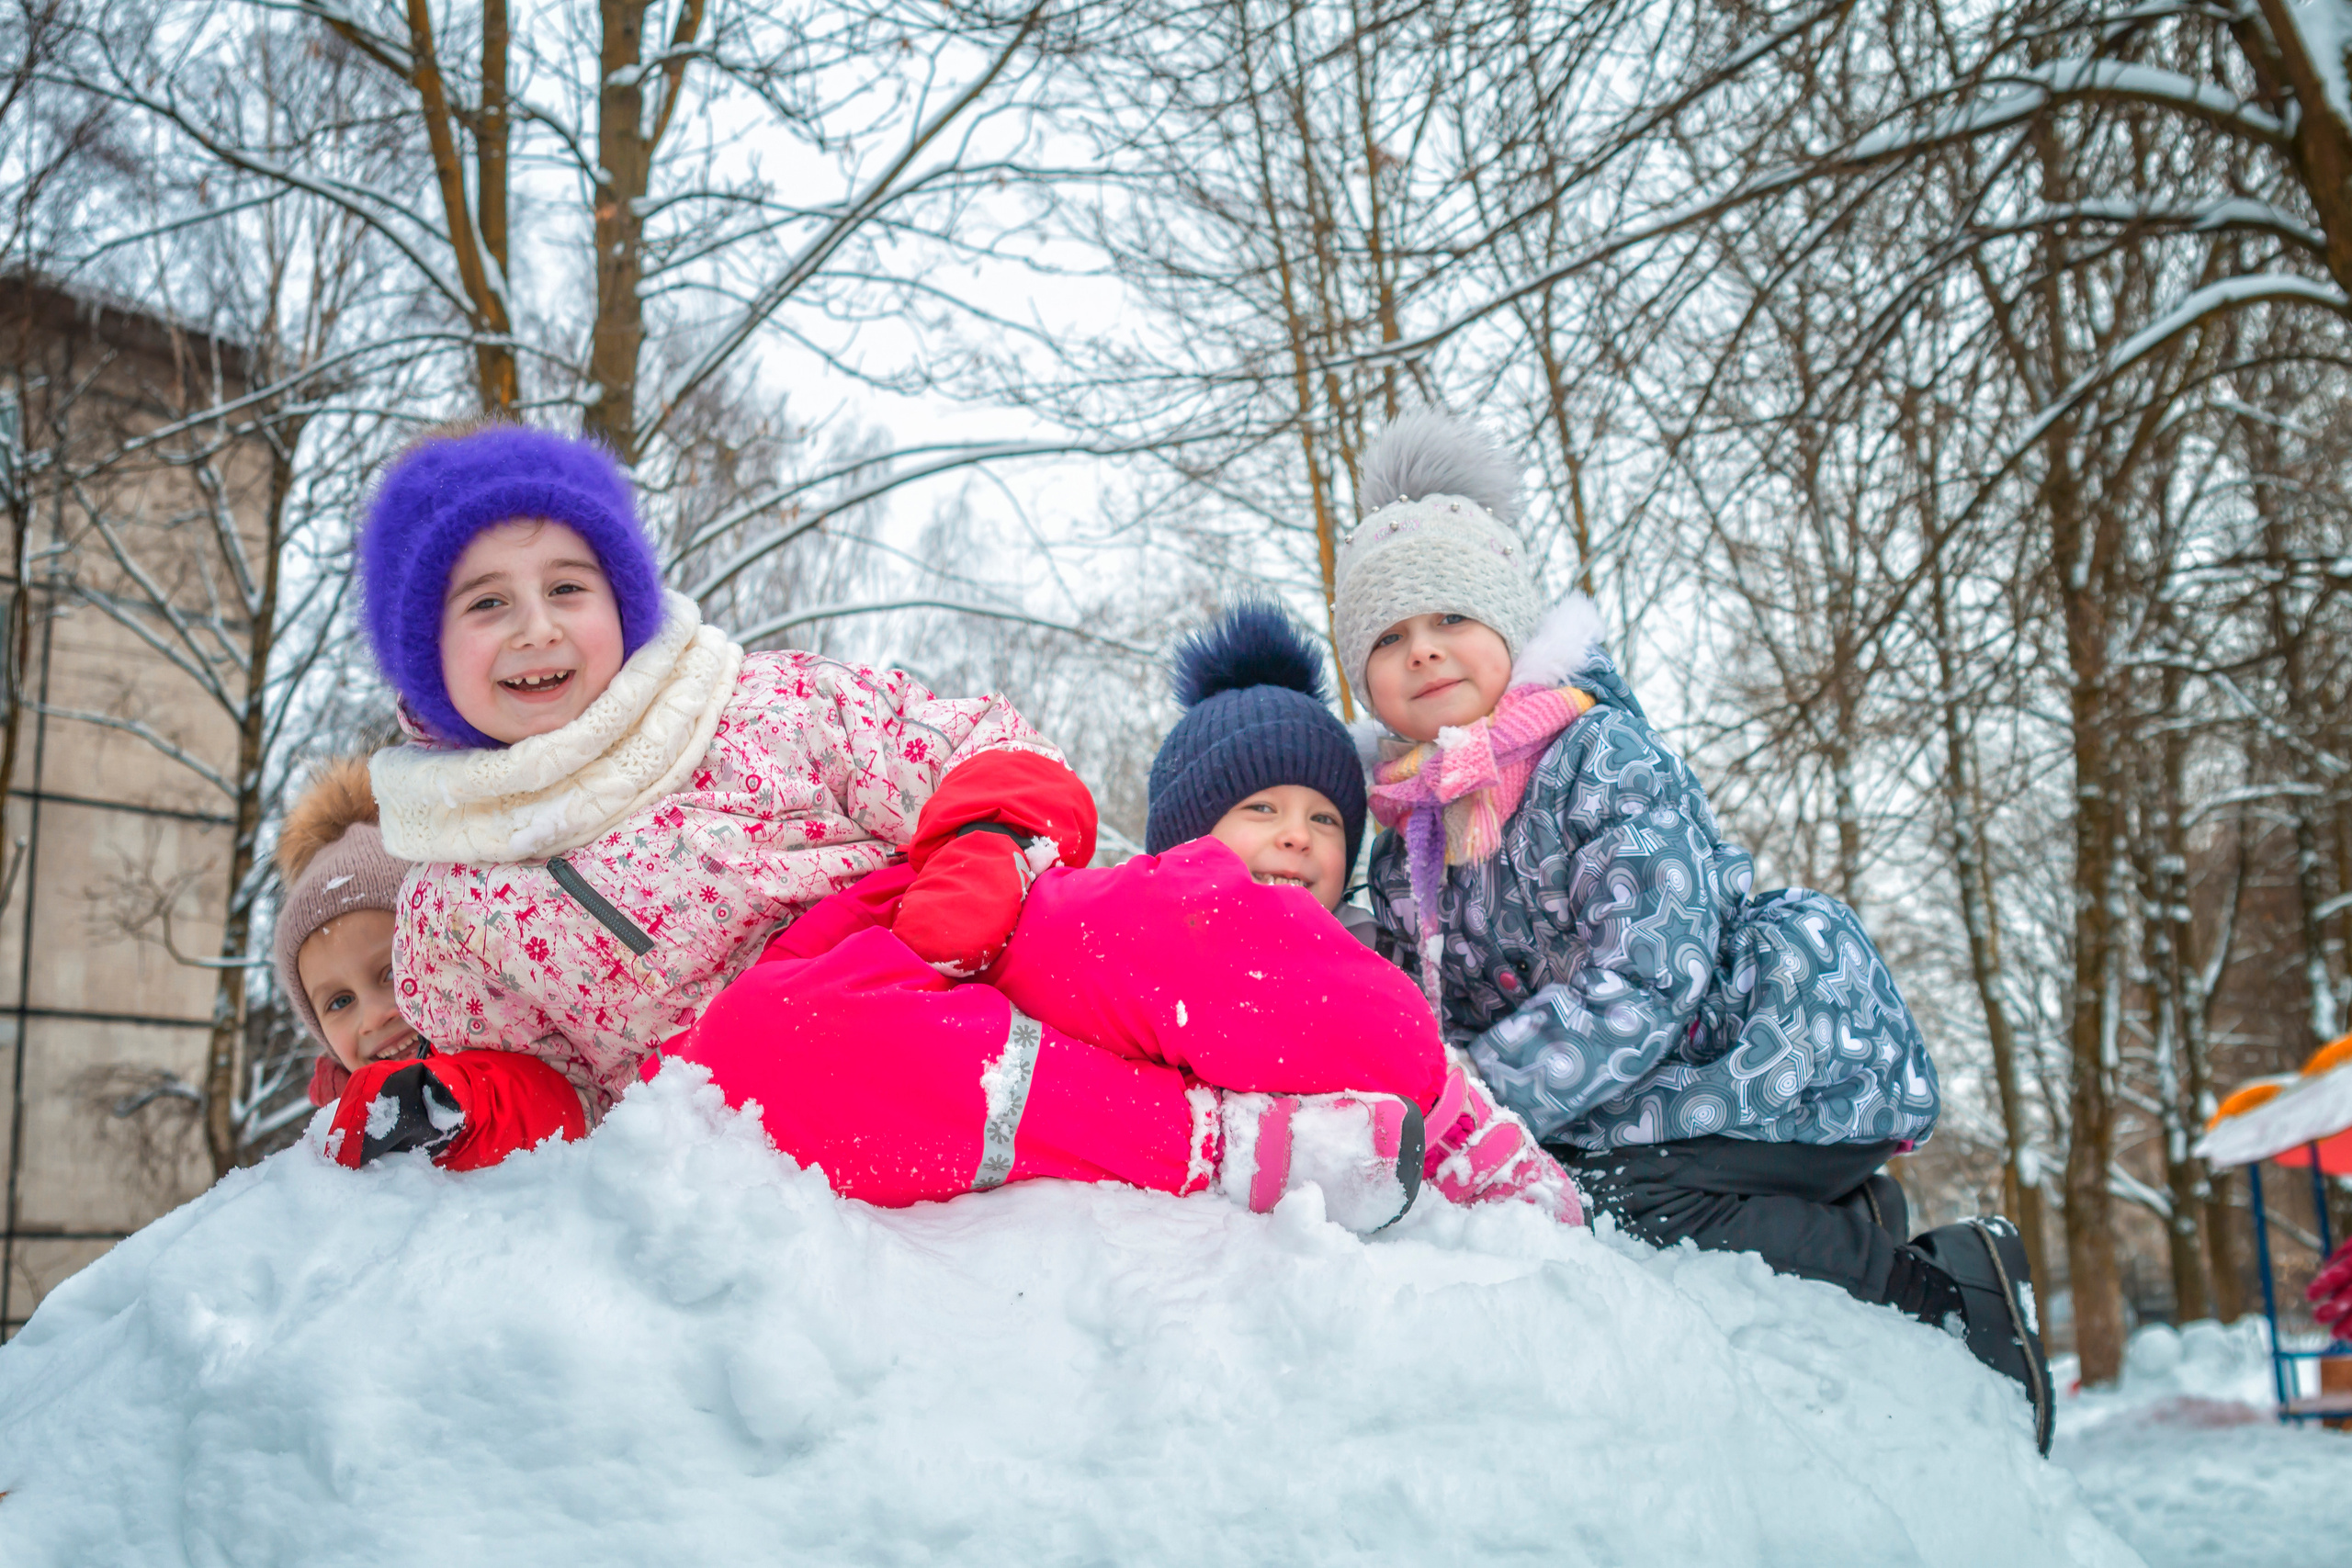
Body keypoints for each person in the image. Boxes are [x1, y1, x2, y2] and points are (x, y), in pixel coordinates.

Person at [350, 421, 1518, 1231]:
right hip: (785, 1061)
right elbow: (547, 1086)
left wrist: (987, 849)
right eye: (485, 603)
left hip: (943, 928)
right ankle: (1226, 1149)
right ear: (423, 658)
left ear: (623, 602)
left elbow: (973, 744)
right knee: (780, 1048)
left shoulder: (748, 704)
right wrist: (463, 1106)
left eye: (567, 587)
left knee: (1140, 920)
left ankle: (1432, 1088)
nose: (536, 630)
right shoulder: (453, 901)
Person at [1339, 411, 2052, 1450]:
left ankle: (1943, 1294)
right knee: (1565, 1187)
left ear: (1507, 626)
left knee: (1616, 1199)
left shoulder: (1599, 758)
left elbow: (1646, 977)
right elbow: (1409, 1000)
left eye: (1450, 615)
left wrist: (1477, 1101)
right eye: (1389, 636)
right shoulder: (1403, 831)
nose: (1425, 649)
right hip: (1636, 1103)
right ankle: (1847, 1225)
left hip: (1768, 1058)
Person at [1143, 598, 1579, 1221]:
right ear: (1185, 835)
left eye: (1324, 818)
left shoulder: (1365, 966)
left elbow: (1437, 1091)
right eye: (1262, 809)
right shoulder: (1137, 945)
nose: (1298, 835)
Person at [274, 755, 584, 1169]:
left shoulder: (513, 1042)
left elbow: (550, 1104)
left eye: (392, 972)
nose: (373, 1017)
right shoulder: (329, 1125)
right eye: (339, 1002)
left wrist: (439, 1101)